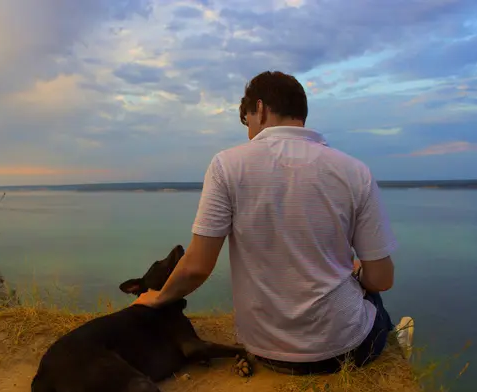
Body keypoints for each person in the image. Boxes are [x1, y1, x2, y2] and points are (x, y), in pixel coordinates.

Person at [134, 71, 403, 374]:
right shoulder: (355, 171)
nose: (248, 132)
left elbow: (197, 266)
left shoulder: (227, 165)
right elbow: (382, 279)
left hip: (265, 348)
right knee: (372, 295)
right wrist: (358, 275)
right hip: (346, 349)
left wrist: (160, 297)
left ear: (259, 109)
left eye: (246, 121)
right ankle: (396, 338)